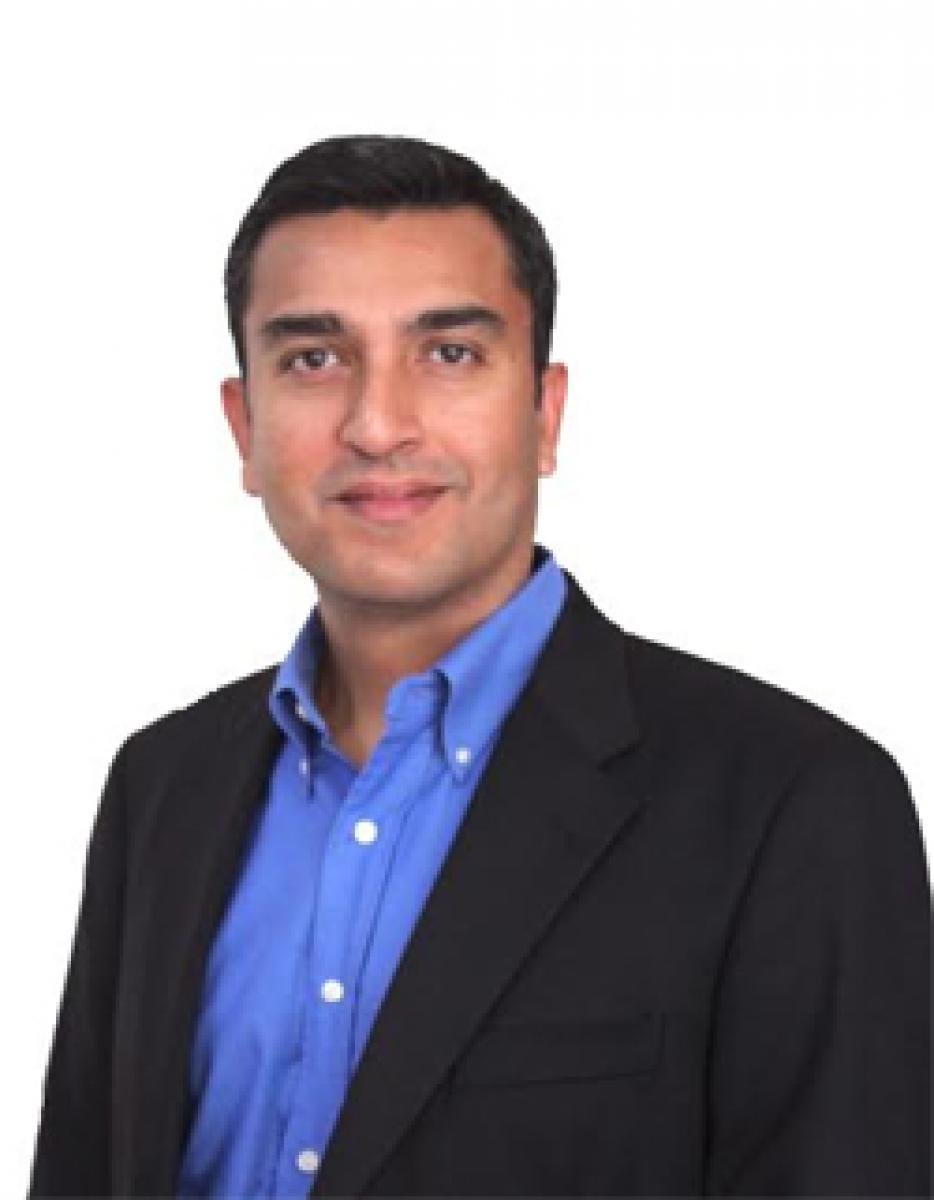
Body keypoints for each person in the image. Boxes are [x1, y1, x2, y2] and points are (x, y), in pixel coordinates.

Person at [28, 134, 930, 1199]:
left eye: (448, 353)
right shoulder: (161, 785)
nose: (377, 425)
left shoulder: (793, 801)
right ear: (245, 425)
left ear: (543, 414)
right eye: (314, 359)